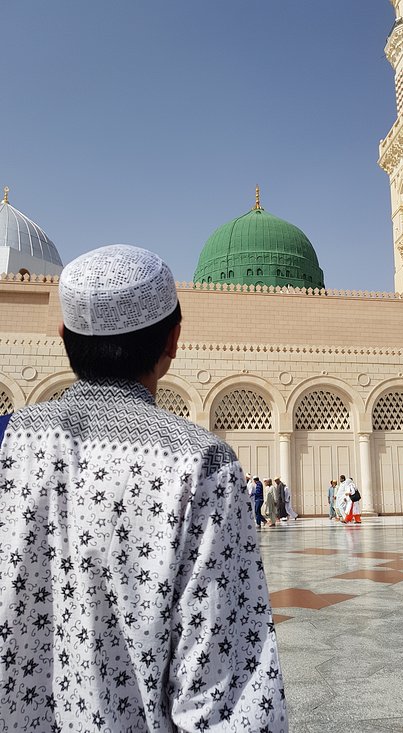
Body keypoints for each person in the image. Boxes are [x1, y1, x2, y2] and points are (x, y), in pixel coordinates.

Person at [0, 244, 287, 732]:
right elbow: (228, 692)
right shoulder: (202, 464)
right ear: (173, 341)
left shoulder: (4, 441)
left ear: (64, 336)